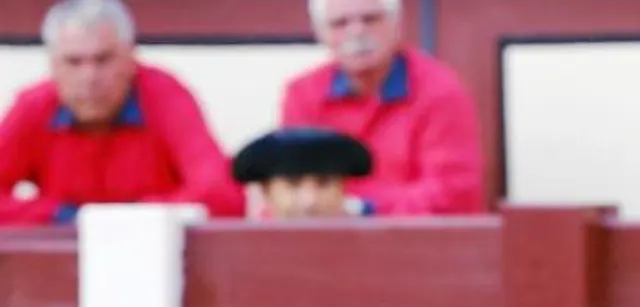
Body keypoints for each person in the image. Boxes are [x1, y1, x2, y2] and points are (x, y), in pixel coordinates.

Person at [0, 0, 243, 225]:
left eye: (103, 59)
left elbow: (221, 195)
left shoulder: (164, 97)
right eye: (74, 62)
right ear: (52, 65)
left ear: (131, 58)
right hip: (63, 266)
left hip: (157, 261)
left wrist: (124, 221)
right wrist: (60, 215)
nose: (90, 77)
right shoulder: (36, 106)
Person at [280, 0, 483, 216]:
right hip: (328, 241)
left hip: (419, 242)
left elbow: (453, 196)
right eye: (340, 23)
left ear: (397, 24)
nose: (357, 31)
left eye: (371, 19)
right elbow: (295, 188)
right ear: (321, 34)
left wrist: (360, 208)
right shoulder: (303, 94)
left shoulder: (441, 92)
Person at [231, 126, 373, 218]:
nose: (309, 201)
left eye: (323, 183)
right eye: (293, 184)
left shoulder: (374, 254)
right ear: (266, 192)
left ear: (342, 189)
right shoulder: (243, 257)